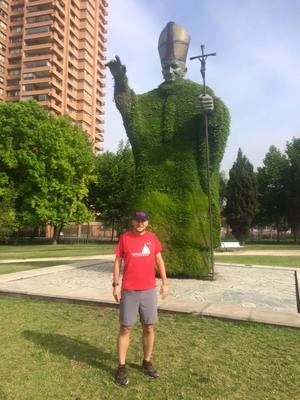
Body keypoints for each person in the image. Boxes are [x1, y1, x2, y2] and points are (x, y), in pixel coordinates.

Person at [107, 21, 230, 278]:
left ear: (184, 68)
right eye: (166, 67)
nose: (170, 71)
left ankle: (193, 264)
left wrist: (212, 112)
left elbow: (215, 131)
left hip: (189, 178)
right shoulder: (151, 99)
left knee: (190, 222)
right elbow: (131, 110)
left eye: (174, 66)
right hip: (155, 177)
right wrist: (120, 80)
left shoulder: (201, 93)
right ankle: (150, 266)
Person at [113, 210, 169, 386]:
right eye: (137, 220)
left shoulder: (152, 238)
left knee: (149, 327)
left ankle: (146, 362)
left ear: (147, 222)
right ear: (132, 222)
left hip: (149, 291)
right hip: (129, 290)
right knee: (126, 328)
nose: (140, 223)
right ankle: (121, 366)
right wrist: (115, 285)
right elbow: (117, 261)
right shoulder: (125, 238)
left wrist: (165, 283)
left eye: (143, 221)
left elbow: (159, 261)